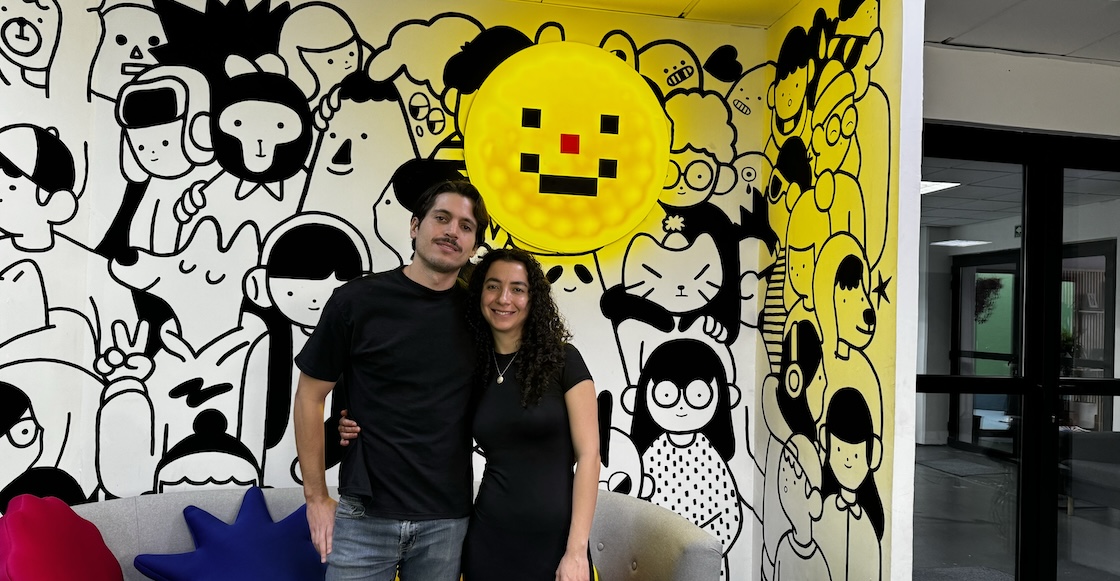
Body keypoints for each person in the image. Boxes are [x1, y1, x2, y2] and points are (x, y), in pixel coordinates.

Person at [340, 248, 601, 581]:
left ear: (533, 298)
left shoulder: (563, 360)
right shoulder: (473, 367)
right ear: (479, 294)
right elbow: (420, 409)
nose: (504, 298)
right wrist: (354, 423)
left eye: (517, 288)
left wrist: (576, 551)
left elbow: (590, 456)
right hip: (490, 537)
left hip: (556, 540)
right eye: (493, 286)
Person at [293, 179, 488, 581]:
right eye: (442, 218)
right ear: (415, 226)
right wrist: (315, 497)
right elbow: (310, 396)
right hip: (364, 515)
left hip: (446, 520)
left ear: (473, 246)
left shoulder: (482, 317)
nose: (452, 231)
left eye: (466, 226)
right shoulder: (356, 301)